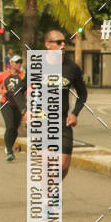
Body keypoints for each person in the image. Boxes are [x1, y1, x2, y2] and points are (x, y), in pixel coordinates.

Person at [18, 30, 87, 182]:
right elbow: (17, 91)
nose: (63, 45)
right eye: (58, 42)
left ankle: (52, 188)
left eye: (64, 42)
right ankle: (47, 198)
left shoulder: (72, 68)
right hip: (40, 120)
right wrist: (25, 111)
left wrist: (75, 113)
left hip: (62, 121)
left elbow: (82, 94)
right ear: (48, 45)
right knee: (48, 162)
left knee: (63, 165)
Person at [0, 54, 24, 161]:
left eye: (20, 62)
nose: (19, 64)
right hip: (6, 103)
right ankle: (9, 151)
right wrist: (1, 91)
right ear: (11, 64)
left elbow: (29, 87)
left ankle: (8, 146)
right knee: (9, 126)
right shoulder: (4, 74)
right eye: (16, 62)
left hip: (18, 105)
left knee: (15, 129)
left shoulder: (22, 75)